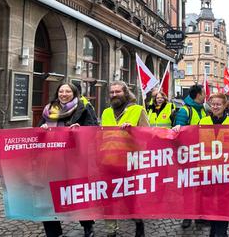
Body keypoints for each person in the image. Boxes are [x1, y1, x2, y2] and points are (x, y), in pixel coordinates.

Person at [38, 82, 97, 237]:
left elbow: (94, 130)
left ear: (74, 93)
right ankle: (54, 232)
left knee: (76, 194)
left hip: (74, 159)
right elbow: (38, 133)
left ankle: (87, 225)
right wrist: (42, 130)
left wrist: (80, 131)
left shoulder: (83, 108)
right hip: (51, 160)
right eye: (61, 91)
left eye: (67, 91)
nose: (64, 94)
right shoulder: (49, 109)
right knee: (49, 195)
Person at [100, 81, 149, 237]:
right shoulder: (106, 112)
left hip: (130, 163)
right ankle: (111, 231)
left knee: (130, 199)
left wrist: (134, 131)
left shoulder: (138, 110)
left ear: (126, 93)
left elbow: (148, 135)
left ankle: (138, 223)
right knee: (108, 199)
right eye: (112, 92)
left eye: (118, 91)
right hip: (108, 162)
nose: (114, 95)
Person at [198, 93, 229, 237]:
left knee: (223, 202)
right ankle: (214, 230)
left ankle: (221, 232)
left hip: (226, 170)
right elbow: (192, 139)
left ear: (225, 105)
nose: (215, 107)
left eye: (218, 104)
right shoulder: (203, 121)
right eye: (213, 104)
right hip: (207, 170)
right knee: (209, 202)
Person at [172, 84, 207, 228]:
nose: (205, 95)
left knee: (201, 187)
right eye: (204, 93)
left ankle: (199, 215)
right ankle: (187, 216)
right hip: (188, 156)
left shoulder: (203, 109)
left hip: (202, 155)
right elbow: (178, 134)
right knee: (187, 188)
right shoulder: (184, 111)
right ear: (198, 95)